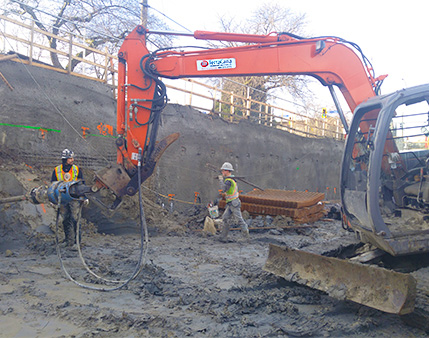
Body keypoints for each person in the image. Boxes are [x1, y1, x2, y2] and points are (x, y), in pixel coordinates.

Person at [51, 149, 83, 246]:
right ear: (65, 159)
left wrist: (83, 197)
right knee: (65, 219)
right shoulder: (57, 170)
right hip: (63, 199)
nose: (72, 160)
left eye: (72, 158)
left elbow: (82, 184)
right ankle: (67, 239)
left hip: (74, 198)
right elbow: (53, 185)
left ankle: (77, 241)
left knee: (75, 219)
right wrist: (53, 199)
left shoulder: (76, 169)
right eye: (70, 158)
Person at [218, 162, 250, 241]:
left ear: (227, 171)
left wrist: (221, 180)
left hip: (234, 203)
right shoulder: (232, 179)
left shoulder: (229, 181)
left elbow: (224, 189)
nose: (222, 172)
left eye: (223, 171)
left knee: (239, 219)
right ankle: (223, 237)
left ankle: (246, 237)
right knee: (225, 218)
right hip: (230, 203)